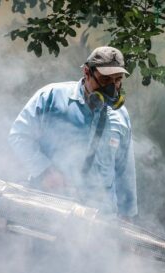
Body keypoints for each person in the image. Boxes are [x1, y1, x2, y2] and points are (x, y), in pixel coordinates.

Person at [9, 46, 137, 219]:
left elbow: (124, 171)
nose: (112, 88)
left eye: (118, 80)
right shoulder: (51, 97)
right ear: (87, 72)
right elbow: (19, 136)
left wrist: (126, 219)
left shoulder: (121, 115)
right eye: (105, 79)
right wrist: (45, 171)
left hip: (100, 221)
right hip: (49, 211)